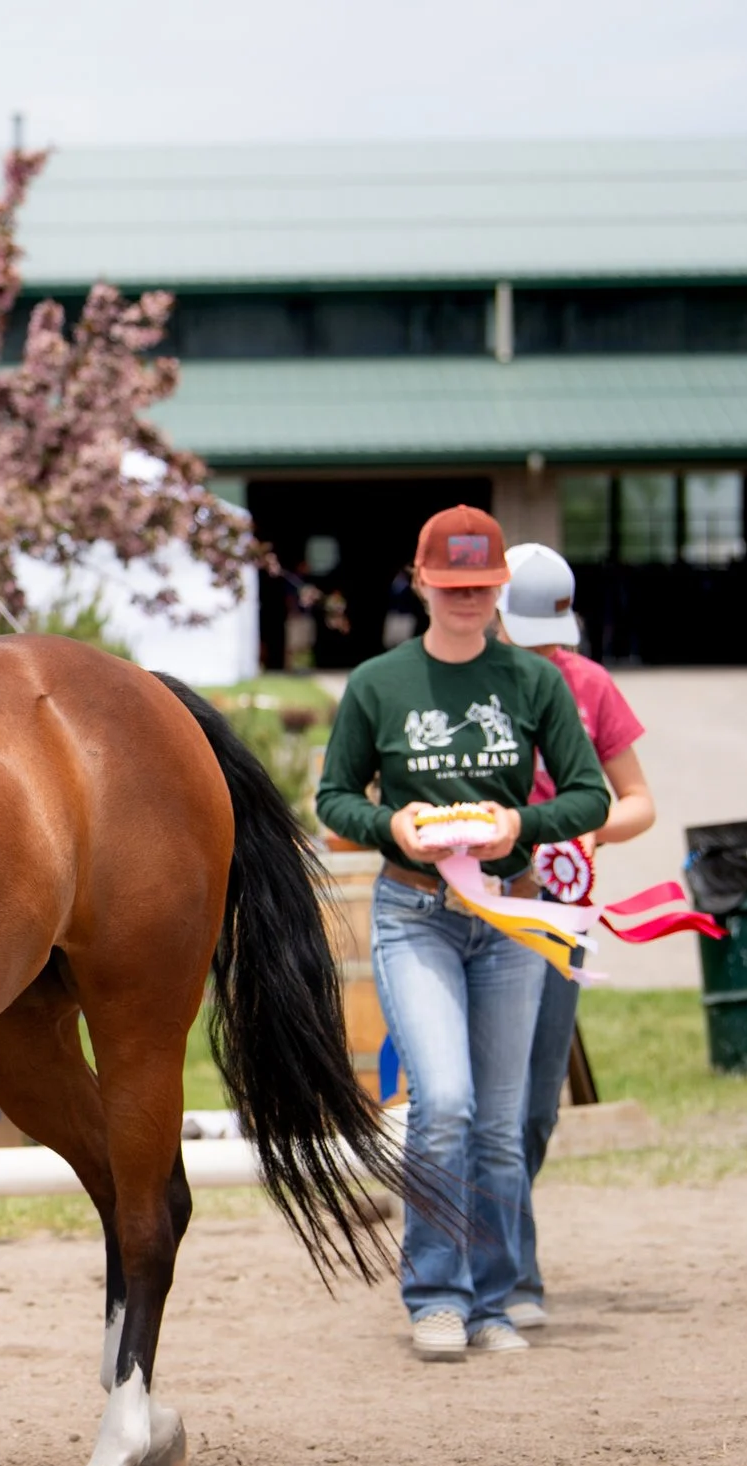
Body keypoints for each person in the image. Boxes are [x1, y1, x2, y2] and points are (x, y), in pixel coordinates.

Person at [315, 507, 609, 1362]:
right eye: (453, 586)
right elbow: (334, 798)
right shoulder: (378, 683)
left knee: (502, 1123)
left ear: (500, 589)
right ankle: (435, 1293)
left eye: (482, 588)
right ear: (424, 582)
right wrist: (393, 824)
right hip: (416, 915)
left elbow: (589, 795)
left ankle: (494, 1298)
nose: (468, 601)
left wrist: (514, 823)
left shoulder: (534, 681)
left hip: (511, 916)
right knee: (443, 1102)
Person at [499, 543, 657, 1330]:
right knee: (472, 1100)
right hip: (477, 901)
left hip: (561, 912)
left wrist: (590, 833)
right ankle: (507, 1266)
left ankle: (496, 1246)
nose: (540, 652)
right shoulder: (468, 682)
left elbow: (637, 801)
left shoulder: (588, 684)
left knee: (533, 1107)